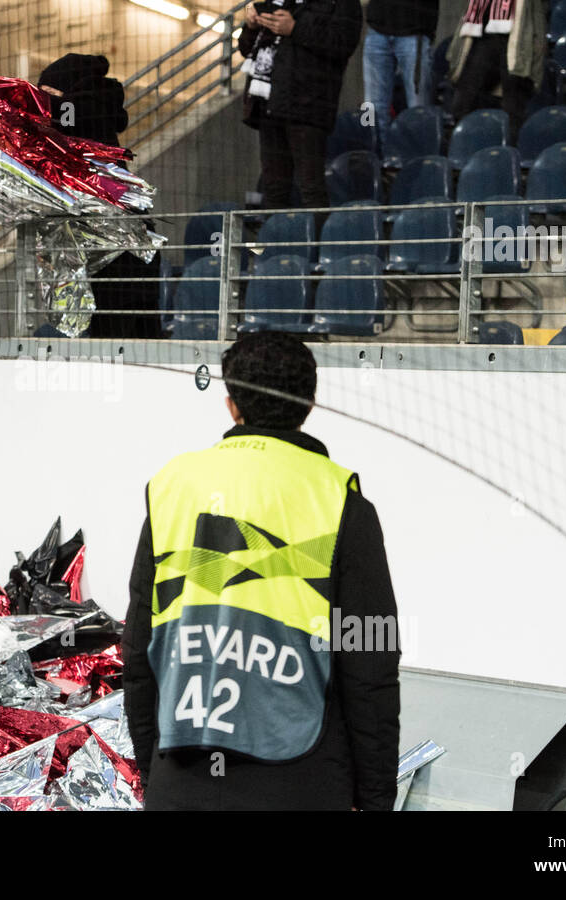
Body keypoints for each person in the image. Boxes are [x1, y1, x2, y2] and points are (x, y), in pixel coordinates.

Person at [121, 331, 400, 810]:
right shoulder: (342, 503)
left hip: (181, 776)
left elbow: (138, 650)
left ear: (231, 405)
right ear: (309, 402)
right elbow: (370, 664)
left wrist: (154, 773)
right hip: (299, 782)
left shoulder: (172, 487)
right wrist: (376, 800)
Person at [37, 53, 162, 339]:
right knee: (123, 335)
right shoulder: (81, 111)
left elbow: (59, 110)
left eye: (46, 93)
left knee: (126, 339)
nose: (40, 100)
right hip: (110, 246)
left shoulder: (89, 107)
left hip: (123, 249)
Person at [238, 0, 363, 209]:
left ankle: (315, 249)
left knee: (310, 187)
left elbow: (343, 45)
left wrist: (295, 28)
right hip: (271, 104)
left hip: (310, 106)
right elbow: (249, 50)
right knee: (274, 188)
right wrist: (249, 28)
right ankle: (275, 249)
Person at [356, 0, 465, 154]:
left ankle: (420, 162)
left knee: (418, 106)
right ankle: (379, 160)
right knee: (370, 106)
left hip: (414, 35)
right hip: (376, 34)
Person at [448, 0, 560, 146]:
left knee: (513, 109)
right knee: (464, 101)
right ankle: (465, 153)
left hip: (520, 41)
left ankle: (507, 161)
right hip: (485, 36)